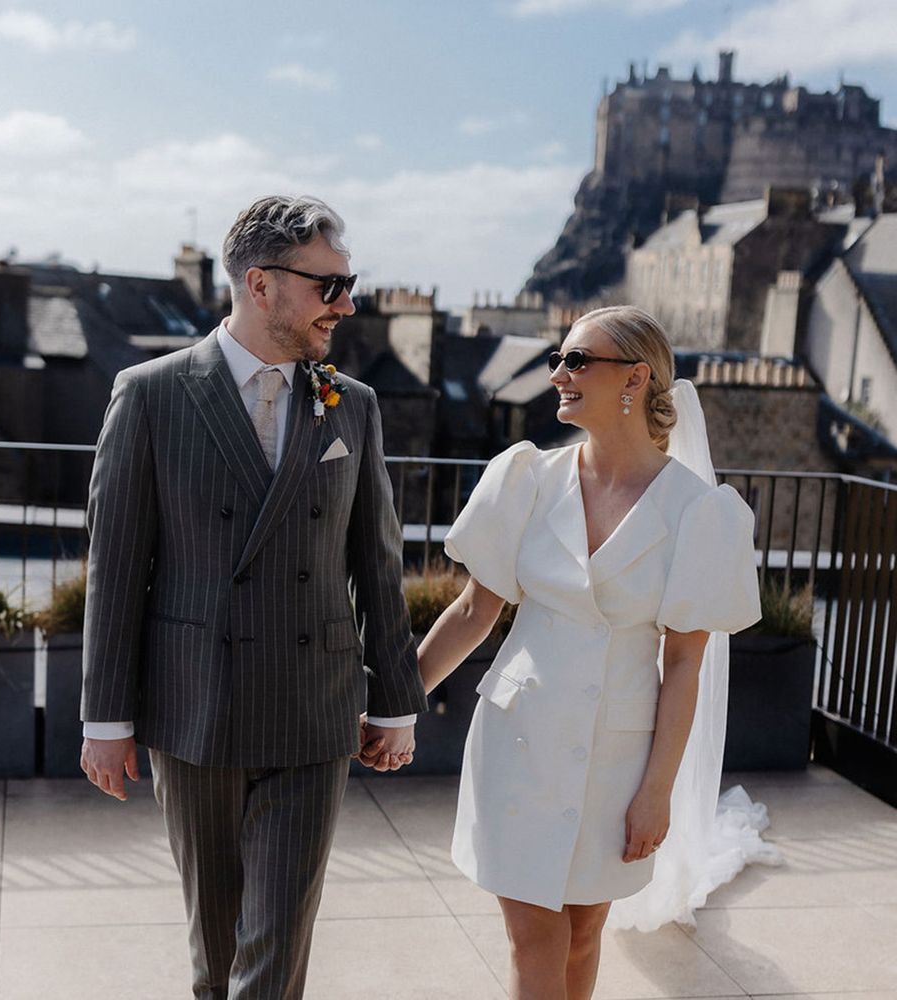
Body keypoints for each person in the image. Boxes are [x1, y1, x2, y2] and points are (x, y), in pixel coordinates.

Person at [79, 195, 428, 1000]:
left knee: (273, 954)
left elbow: (377, 562)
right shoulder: (151, 393)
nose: (345, 305)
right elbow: (116, 566)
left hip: (314, 709)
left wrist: (396, 703)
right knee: (216, 952)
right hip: (196, 703)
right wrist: (105, 719)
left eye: (349, 284)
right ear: (260, 283)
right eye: (328, 286)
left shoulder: (353, 403)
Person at [417, 305, 762, 999]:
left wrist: (657, 792)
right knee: (535, 936)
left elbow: (684, 664)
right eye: (558, 360)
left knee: (581, 932)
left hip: (617, 760)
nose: (558, 375)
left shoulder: (698, 511)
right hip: (517, 739)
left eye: (577, 361)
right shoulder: (526, 477)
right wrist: (393, 701)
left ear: (634, 378)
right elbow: (474, 611)